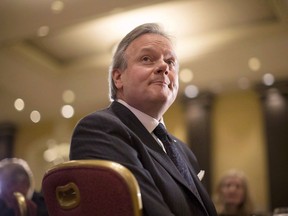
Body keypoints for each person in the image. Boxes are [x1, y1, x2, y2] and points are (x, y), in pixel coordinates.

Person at [70, 23, 217, 216]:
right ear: (118, 78)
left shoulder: (183, 151)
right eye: (147, 59)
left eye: (170, 62)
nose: (164, 66)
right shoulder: (99, 129)